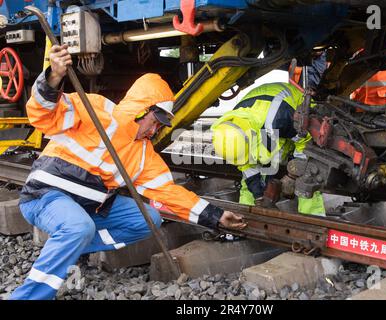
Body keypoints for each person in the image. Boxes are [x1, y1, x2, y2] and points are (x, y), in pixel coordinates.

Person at [10, 44, 246, 300]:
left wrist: (216, 216)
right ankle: (27, 296)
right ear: (143, 111)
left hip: (88, 207)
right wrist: (54, 77)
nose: (155, 130)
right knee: (77, 227)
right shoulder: (97, 111)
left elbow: (169, 193)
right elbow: (43, 115)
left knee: (149, 219)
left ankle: (71, 243)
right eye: (155, 122)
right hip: (45, 196)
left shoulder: (143, 154)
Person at [211, 82, 325, 216]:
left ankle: (313, 220)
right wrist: (259, 196)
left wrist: (293, 175)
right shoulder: (234, 130)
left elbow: (306, 144)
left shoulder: (281, 118)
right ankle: (245, 217)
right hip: (270, 126)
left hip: (300, 118)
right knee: (250, 182)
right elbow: (247, 168)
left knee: (306, 179)